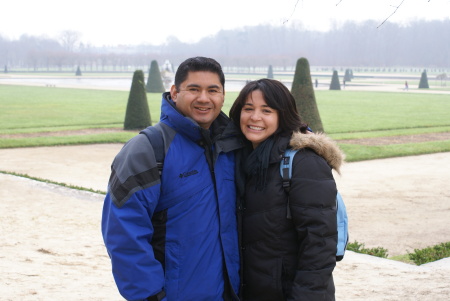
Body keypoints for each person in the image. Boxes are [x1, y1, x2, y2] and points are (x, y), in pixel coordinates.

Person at [102, 57, 242, 301]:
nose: (204, 98)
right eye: (194, 89)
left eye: (212, 90)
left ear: (223, 95)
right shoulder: (147, 149)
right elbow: (124, 234)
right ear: (175, 92)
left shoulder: (234, 146)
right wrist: (152, 296)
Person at [229, 78, 344, 301]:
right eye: (248, 109)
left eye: (267, 110)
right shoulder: (239, 159)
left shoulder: (304, 163)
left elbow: (319, 244)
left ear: (283, 116)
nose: (255, 117)